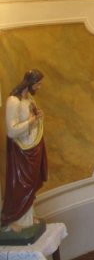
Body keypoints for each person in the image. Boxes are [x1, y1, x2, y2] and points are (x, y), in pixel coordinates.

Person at [1, 69, 48, 233]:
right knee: (21, 185)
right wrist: (31, 121)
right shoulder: (13, 101)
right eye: (38, 84)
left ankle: (27, 217)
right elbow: (11, 131)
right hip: (21, 151)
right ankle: (15, 218)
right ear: (30, 83)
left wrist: (38, 116)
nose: (39, 87)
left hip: (33, 146)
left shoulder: (29, 99)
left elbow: (33, 119)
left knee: (31, 184)